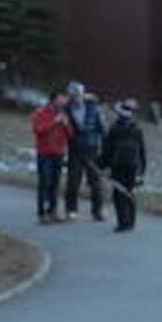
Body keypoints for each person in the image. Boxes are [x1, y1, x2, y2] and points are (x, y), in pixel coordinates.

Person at [62, 82, 108, 222]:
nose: (76, 98)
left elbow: (103, 129)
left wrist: (105, 149)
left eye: (78, 95)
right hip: (75, 149)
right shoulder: (66, 109)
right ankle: (71, 210)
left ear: (82, 94)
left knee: (95, 182)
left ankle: (97, 211)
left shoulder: (94, 108)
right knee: (73, 181)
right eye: (73, 95)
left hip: (92, 148)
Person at [100, 99, 146, 232]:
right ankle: (131, 221)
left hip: (118, 165)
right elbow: (142, 150)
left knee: (119, 194)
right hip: (133, 165)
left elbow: (108, 149)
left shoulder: (115, 129)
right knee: (130, 192)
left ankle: (123, 222)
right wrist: (142, 169)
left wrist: (102, 164)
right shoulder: (137, 129)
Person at [30, 89, 70, 223]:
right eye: (60, 99)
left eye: (64, 99)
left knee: (55, 183)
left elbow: (70, 134)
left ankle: (53, 211)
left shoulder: (64, 114)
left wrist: (66, 125)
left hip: (59, 152)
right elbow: (38, 130)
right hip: (45, 153)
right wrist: (54, 122)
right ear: (53, 100)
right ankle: (42, 213)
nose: (63, 101)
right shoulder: (41, 113)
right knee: (44, 182)